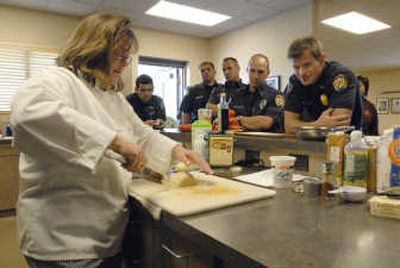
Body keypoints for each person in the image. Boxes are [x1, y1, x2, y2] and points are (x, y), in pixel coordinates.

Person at [10, 13, 211, 268]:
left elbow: (141, 134)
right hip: (63, 241)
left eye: (127, 56)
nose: (124, 64)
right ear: (94, 50)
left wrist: (177, 151)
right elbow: (27, 114)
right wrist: (113, 141)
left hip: (103, 236)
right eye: (119, 55)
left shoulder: (110, 95)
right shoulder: (57, 80)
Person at [284, 36, 363, 135]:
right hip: (310, 143)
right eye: (296, 67)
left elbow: (338, 126)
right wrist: (317, 125)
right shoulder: (295, 81)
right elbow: (288, 127)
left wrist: (303, 126)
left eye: (307, 65)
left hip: (345, 143)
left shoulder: (340, 76)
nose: (301, 73)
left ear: (321, 60)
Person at [230, 53, 284, 132]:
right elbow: (227, 118)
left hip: (264, 142)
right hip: (239, 141)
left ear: (268, 72)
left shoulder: (276, 95)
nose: (256, 76)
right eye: (252, 71)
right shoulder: (237, 95)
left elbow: (266, 122)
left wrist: (238, 120)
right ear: (247, 70)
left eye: (260, 72)